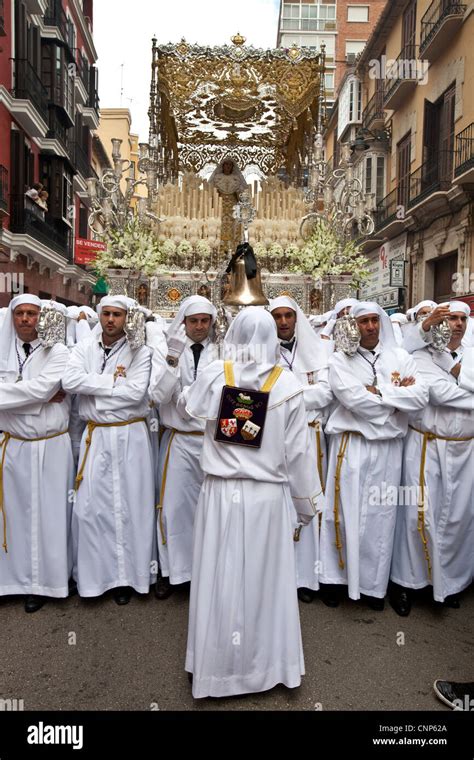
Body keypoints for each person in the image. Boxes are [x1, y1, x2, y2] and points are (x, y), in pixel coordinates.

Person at [182, 307, 320, 698]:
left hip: (221, 495)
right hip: (267, 498)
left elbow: (186, 412)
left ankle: (214, 670)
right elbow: (298, 454)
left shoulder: (213, 375)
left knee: (218, 579)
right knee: (264, 582)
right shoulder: (288, 384)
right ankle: (268, 668)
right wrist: (306, 505)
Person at [319, 302, 429, 610]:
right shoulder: (340, 360)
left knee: (380, 520)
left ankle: (372, 586)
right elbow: (351, 398)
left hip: (387, 450)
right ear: (354, 325)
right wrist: (395, 401)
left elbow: (420, 397)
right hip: (351, 447)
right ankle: (334, 581)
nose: (370, 326)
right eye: (363, 321)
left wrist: (378, 392)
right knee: (342, 513)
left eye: (373, 320)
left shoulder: (400, 357)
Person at [62, 295, 156, 605]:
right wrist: (112, 381)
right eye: (107, 314)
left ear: (127, 317)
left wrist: (96, 387)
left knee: (132, 508)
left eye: (117, 314)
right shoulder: (84, 347)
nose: (111, 320)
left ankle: (128, 579)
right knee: (90, 510)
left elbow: (136, 392)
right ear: (100, 316)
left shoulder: (140, 349)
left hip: (131, 437)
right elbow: (70, 379)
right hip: (98, 437)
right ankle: (94, 580)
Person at [390, 301, 473, 615]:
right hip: (427, 447)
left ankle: (449, 583)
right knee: (417, 515)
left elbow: (450, 392)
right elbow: (439, 394)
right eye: (451, 318)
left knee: (457, 518)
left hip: (465, 450)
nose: (457, 324)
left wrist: (456, 376)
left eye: (463, 319)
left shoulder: (471, 354)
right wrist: (465, 385)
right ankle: (405, 583)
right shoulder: (420, 357)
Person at [0, 295, 74, 613]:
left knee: (51, 517)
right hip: (14, 445)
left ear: (41, 317)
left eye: (32, 313)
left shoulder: (58, 352)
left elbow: (43, 388)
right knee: (13, 516)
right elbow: (40, 392)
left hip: (51, 446)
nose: (26, 319)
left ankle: (47, 583)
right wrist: (37, 396)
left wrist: (26, 396)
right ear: (12, 318)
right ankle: (12, 581)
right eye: (20, 314)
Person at [149, 295, 217, 599]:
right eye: (193, 321)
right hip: (179, 440)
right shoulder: (168, 351)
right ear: (183, 322)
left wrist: (189, 397)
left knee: (212, 509)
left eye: (205, 321)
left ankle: (208, 571)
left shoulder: (223, 352)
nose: (199, 327)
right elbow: (159, 395)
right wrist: (172, 363)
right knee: (174, 508)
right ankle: (172, 571)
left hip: (214, 442)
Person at [270, 296, 329, 603]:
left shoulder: (316, 349)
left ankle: (306, 577)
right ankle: (280, 576)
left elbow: (326, 392)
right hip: (276, 441)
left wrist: (286, 395)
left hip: (311, 437)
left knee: (308, 503)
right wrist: (303, 394)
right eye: (277, 316)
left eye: (288, 316)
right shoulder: (262, 353)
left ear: (296, 318)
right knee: (280, 506)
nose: (283, 321)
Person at [209, 157, 248, 255]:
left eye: (230, 165)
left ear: (232, 167)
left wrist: (239, 194)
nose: (228, 167)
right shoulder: (217, 177)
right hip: (220, 204)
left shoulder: (236, 178)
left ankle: (232, 247)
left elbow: (241, 194)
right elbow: (211, 192)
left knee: (233, 225)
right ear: (222, 166)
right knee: (220, 224)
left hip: (232, 204)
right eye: (226, 164)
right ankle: (220, 247)